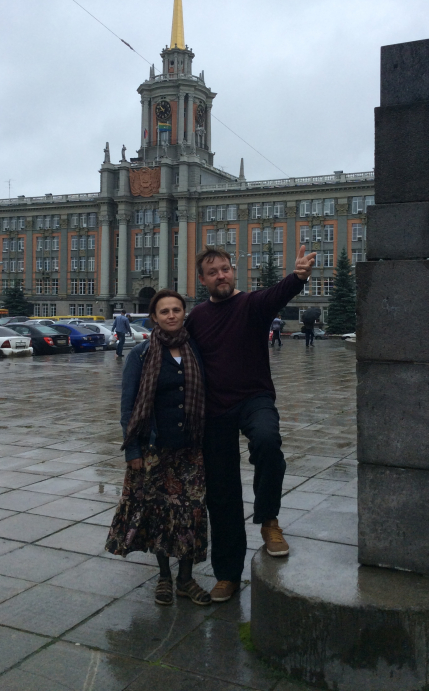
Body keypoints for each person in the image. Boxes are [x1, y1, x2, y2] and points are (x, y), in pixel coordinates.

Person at [186, 245, 315, 603]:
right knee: (221, 494)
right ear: (202, 280)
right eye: (213, 272)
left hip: (254, 399)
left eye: (225, 269)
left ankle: (269, 520)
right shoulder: (197, 318)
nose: (221, 275)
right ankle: (227, 575)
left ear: (233, 271)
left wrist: (298, 277)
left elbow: (278, 293)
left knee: (268, 442)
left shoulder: (251, 305)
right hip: (215, 410)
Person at [105, 289, 211, 607]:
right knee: (160, 515)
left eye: (176, 309)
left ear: (184, 313)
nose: (171, 315)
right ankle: (164, 577)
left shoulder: (196, 349)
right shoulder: (141, 355)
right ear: (154, 317)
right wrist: (132, 451)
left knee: (191, 515)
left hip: (190, 449)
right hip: (154, 449)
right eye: (164, 311)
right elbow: (128, 407)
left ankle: (186, 579)